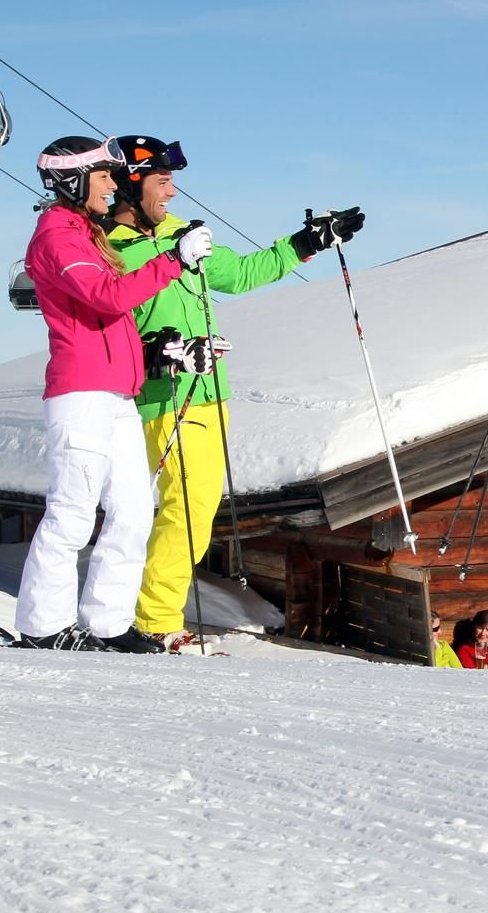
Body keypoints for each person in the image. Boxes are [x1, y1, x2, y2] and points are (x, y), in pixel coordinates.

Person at [104, 134, 365, 650]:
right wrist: (161, 353)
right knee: (185, 509)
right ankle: (154, 619)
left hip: (209, 393)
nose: (172, 192)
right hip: (164, 397)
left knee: (195, 511)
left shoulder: (181, 235)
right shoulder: (110, 251)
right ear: (131, 185)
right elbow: (107, 325)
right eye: (163, 182)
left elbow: (243, 274)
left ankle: (150, 614)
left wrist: (307, 241)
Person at [9, 135, 213, 651]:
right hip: (81, 393)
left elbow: (111, 320)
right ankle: (43, 627)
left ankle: (108, 622)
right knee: (72, 511)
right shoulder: (57, 237)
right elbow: (107, 296)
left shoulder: (88, 234)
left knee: (134, 510)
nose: (111, 185)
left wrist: (160, 354)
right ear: (74, 180)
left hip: (118, 392)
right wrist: (174, 259)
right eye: (102, 176)